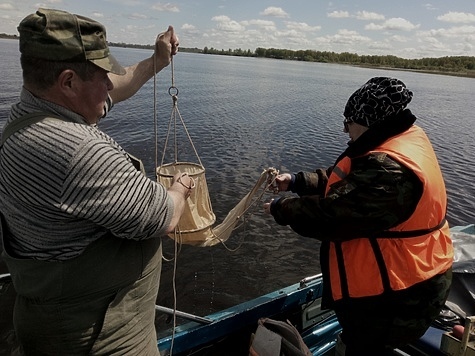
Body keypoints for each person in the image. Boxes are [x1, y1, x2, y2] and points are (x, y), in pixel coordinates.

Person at [0, 8, 193, 355]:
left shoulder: (27, 118)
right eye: (103, 75)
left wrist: (157, 61)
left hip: (48, 326)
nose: (109, 85)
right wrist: (180, 187)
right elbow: (164, 216)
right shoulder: (80, 152)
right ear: (69, 82)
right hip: (103, 339)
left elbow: (114, 90)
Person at [264, 77, 453, 355]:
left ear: (366, 121)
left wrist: (282, 208)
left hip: (399, 295)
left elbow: (334, 217)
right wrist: (296, 181)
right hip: (395, 286)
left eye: (348, 121)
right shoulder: (395, 139)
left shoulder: (391, 171)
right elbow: (348, 179)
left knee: (366, 348)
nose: (344, 129)